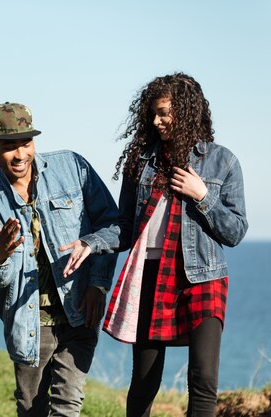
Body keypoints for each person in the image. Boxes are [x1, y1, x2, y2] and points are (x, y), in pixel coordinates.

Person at [62, 73, 248, 417]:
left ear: (187, 110)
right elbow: (126, 227)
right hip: (150, 274)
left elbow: (235, 231)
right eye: (153, 114)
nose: (157, 121)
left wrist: (202, 195)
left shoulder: (223, 161)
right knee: (145, 378)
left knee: (203, 378)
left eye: (164, 112)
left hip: (204, 277)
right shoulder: (142, 162)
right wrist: (92, 243)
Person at [0, 102, 119, 416]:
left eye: (26, 143)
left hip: (80, 311)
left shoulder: (73, 168)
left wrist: (98, 285)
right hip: (29, 323)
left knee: (67, 407)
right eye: (9, 147)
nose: (20, 154)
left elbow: (112, 226)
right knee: (31, 409)